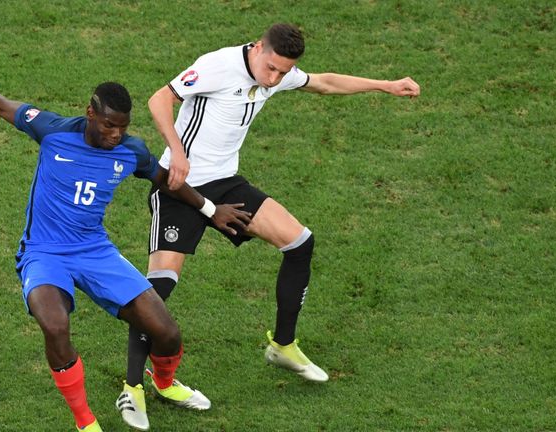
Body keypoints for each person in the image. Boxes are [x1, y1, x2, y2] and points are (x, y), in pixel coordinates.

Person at [0, 46, 252, 432]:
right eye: (109, 125)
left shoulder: (131, 151)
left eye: (122, 127)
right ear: (91, 113)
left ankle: (164, 384)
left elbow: (167, 183)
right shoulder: (53, 131)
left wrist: (210, 210)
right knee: (55, 326)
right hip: (44, 253)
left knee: (167, 332)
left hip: (95, 251)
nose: (115, 134)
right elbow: (0, 104)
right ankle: (86, 422)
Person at [118, 22, 421, 429]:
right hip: (179, 186)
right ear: (258, 48)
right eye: (272, 68)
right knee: (159, 290)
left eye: (282, 72)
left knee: (299, 242)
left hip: (227, 183)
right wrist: (176, 151)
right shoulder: (218, 65)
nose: (274, 78)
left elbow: (325, 83)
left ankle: (282, 345)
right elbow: (160, 100)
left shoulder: (275, 71)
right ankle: (133, 388)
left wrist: (385, 85)